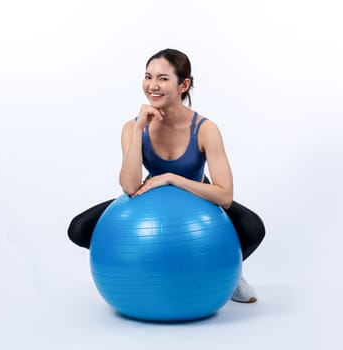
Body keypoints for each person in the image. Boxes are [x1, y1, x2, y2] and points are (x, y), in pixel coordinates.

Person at [68, 48, 265, 303]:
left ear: (184, 85)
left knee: (252, 227)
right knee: (79, 229)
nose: (153, 86)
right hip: (150, 197)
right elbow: (129, 186)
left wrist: (172, 178)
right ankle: (140, 273)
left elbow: (225, 196)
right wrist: (139, 128)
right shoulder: (132, 127)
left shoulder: (205, 129)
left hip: (197, 194)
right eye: (148, 77)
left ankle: (230, 274)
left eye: (163, 79)